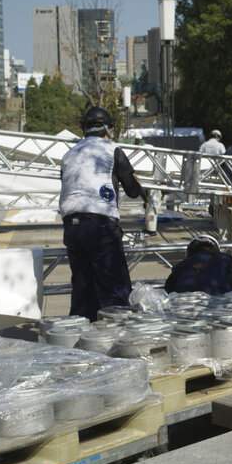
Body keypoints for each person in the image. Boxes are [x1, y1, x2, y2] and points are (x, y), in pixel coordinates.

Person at [59, 106, 149, 321]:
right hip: (99, 226)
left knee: (83, 290)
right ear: (109, 128)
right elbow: (131, 189)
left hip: (71, 227)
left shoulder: (68, 154)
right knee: (114, 291)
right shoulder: (112, 150)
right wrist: (142, 190)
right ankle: (115, 345)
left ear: (84, 129)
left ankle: (81, 340)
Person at [164, 234, 232, 295]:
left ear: (190, 252)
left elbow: (168, 293)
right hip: (221, 309)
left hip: (185, 309)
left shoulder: (180, 266)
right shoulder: (230, 261)